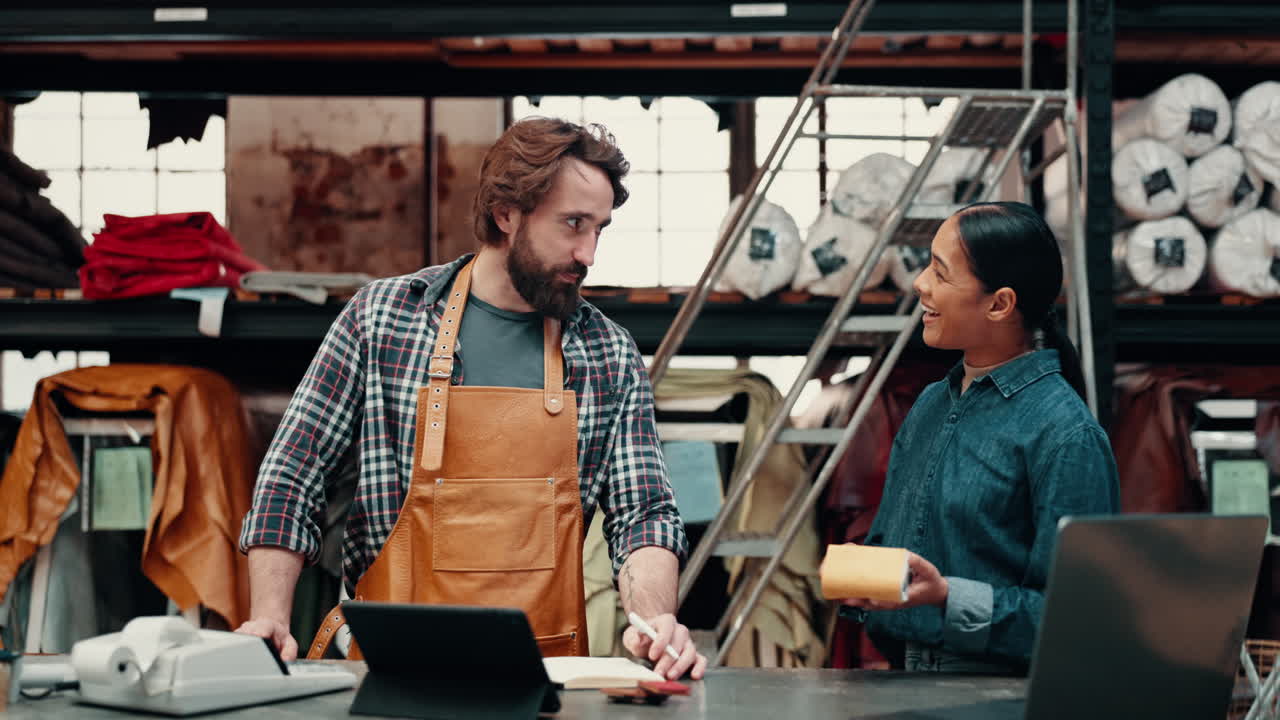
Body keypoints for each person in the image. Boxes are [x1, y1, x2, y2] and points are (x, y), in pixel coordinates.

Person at [235, 117, 707, 680]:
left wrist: (655, 621)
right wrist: (270, 618)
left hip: (546, 683)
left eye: (599, 229)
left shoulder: (607, 352)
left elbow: (645, 514)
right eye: (573, 224)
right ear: (506, 213)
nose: (589, 254)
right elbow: (293, 473)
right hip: (388, 674)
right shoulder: (382, 319)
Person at [842, 201, 1119, 673]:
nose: (920, 283)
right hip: (900, 682)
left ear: (1000, 304)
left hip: (993, 698)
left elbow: (1079, 624)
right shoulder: (933, 402)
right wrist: (863, 572)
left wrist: (949, 597)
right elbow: (899, 557)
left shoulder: (1067, 435)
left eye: (941, 273)